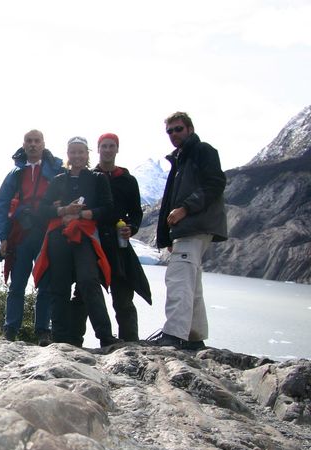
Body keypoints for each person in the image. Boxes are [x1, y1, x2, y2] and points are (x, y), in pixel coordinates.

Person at [150, 112, 227, 349]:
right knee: (192, 281)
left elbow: (215, 182)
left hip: (194, 224)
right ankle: (195, 337)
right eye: (170, 131)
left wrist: (185, 209)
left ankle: (174, 335)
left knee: (179, 277)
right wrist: (167, 236)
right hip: (189, 228)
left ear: (190, 129)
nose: (174, 134)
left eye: (178, 129)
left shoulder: (202, 152)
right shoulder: (181, 159)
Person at [31, 136, 117, 347]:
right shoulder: (59, 180)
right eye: (73, 152)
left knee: (88, 281)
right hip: (59, 237)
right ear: (68, 155)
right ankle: (60, 338)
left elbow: (109, 210)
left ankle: (105, 336)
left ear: (87, 154)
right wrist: (62, 211)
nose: (77, 156)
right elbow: (42, 210)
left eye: (81, 152)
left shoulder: (98, 179)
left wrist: (82, 214)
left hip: (84, 236)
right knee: (59, 286)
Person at [70, 133, 152, 345]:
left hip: (117, 241)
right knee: (84, 290)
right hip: (93, 239)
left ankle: (130, 342)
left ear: (117, 149)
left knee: (123, 294)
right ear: (98, 149)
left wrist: (131, 228)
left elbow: (135, 212)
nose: (107, 150)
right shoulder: (88, 177)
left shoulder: (127, 180)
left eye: (111, 146)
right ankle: (74, 340)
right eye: (104, 146)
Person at [0, 129, 63, 344]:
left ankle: (43, 331)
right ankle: (10, 329)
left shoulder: (57, 171)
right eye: (29, 141)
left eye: (37, 141)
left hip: (46, 233)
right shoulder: (16, 174)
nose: (33, 144)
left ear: (43, 144)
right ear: (24, 145)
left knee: (46, 284)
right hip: (22, 235)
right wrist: (3, 236)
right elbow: (2, 204)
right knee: (18, 284)